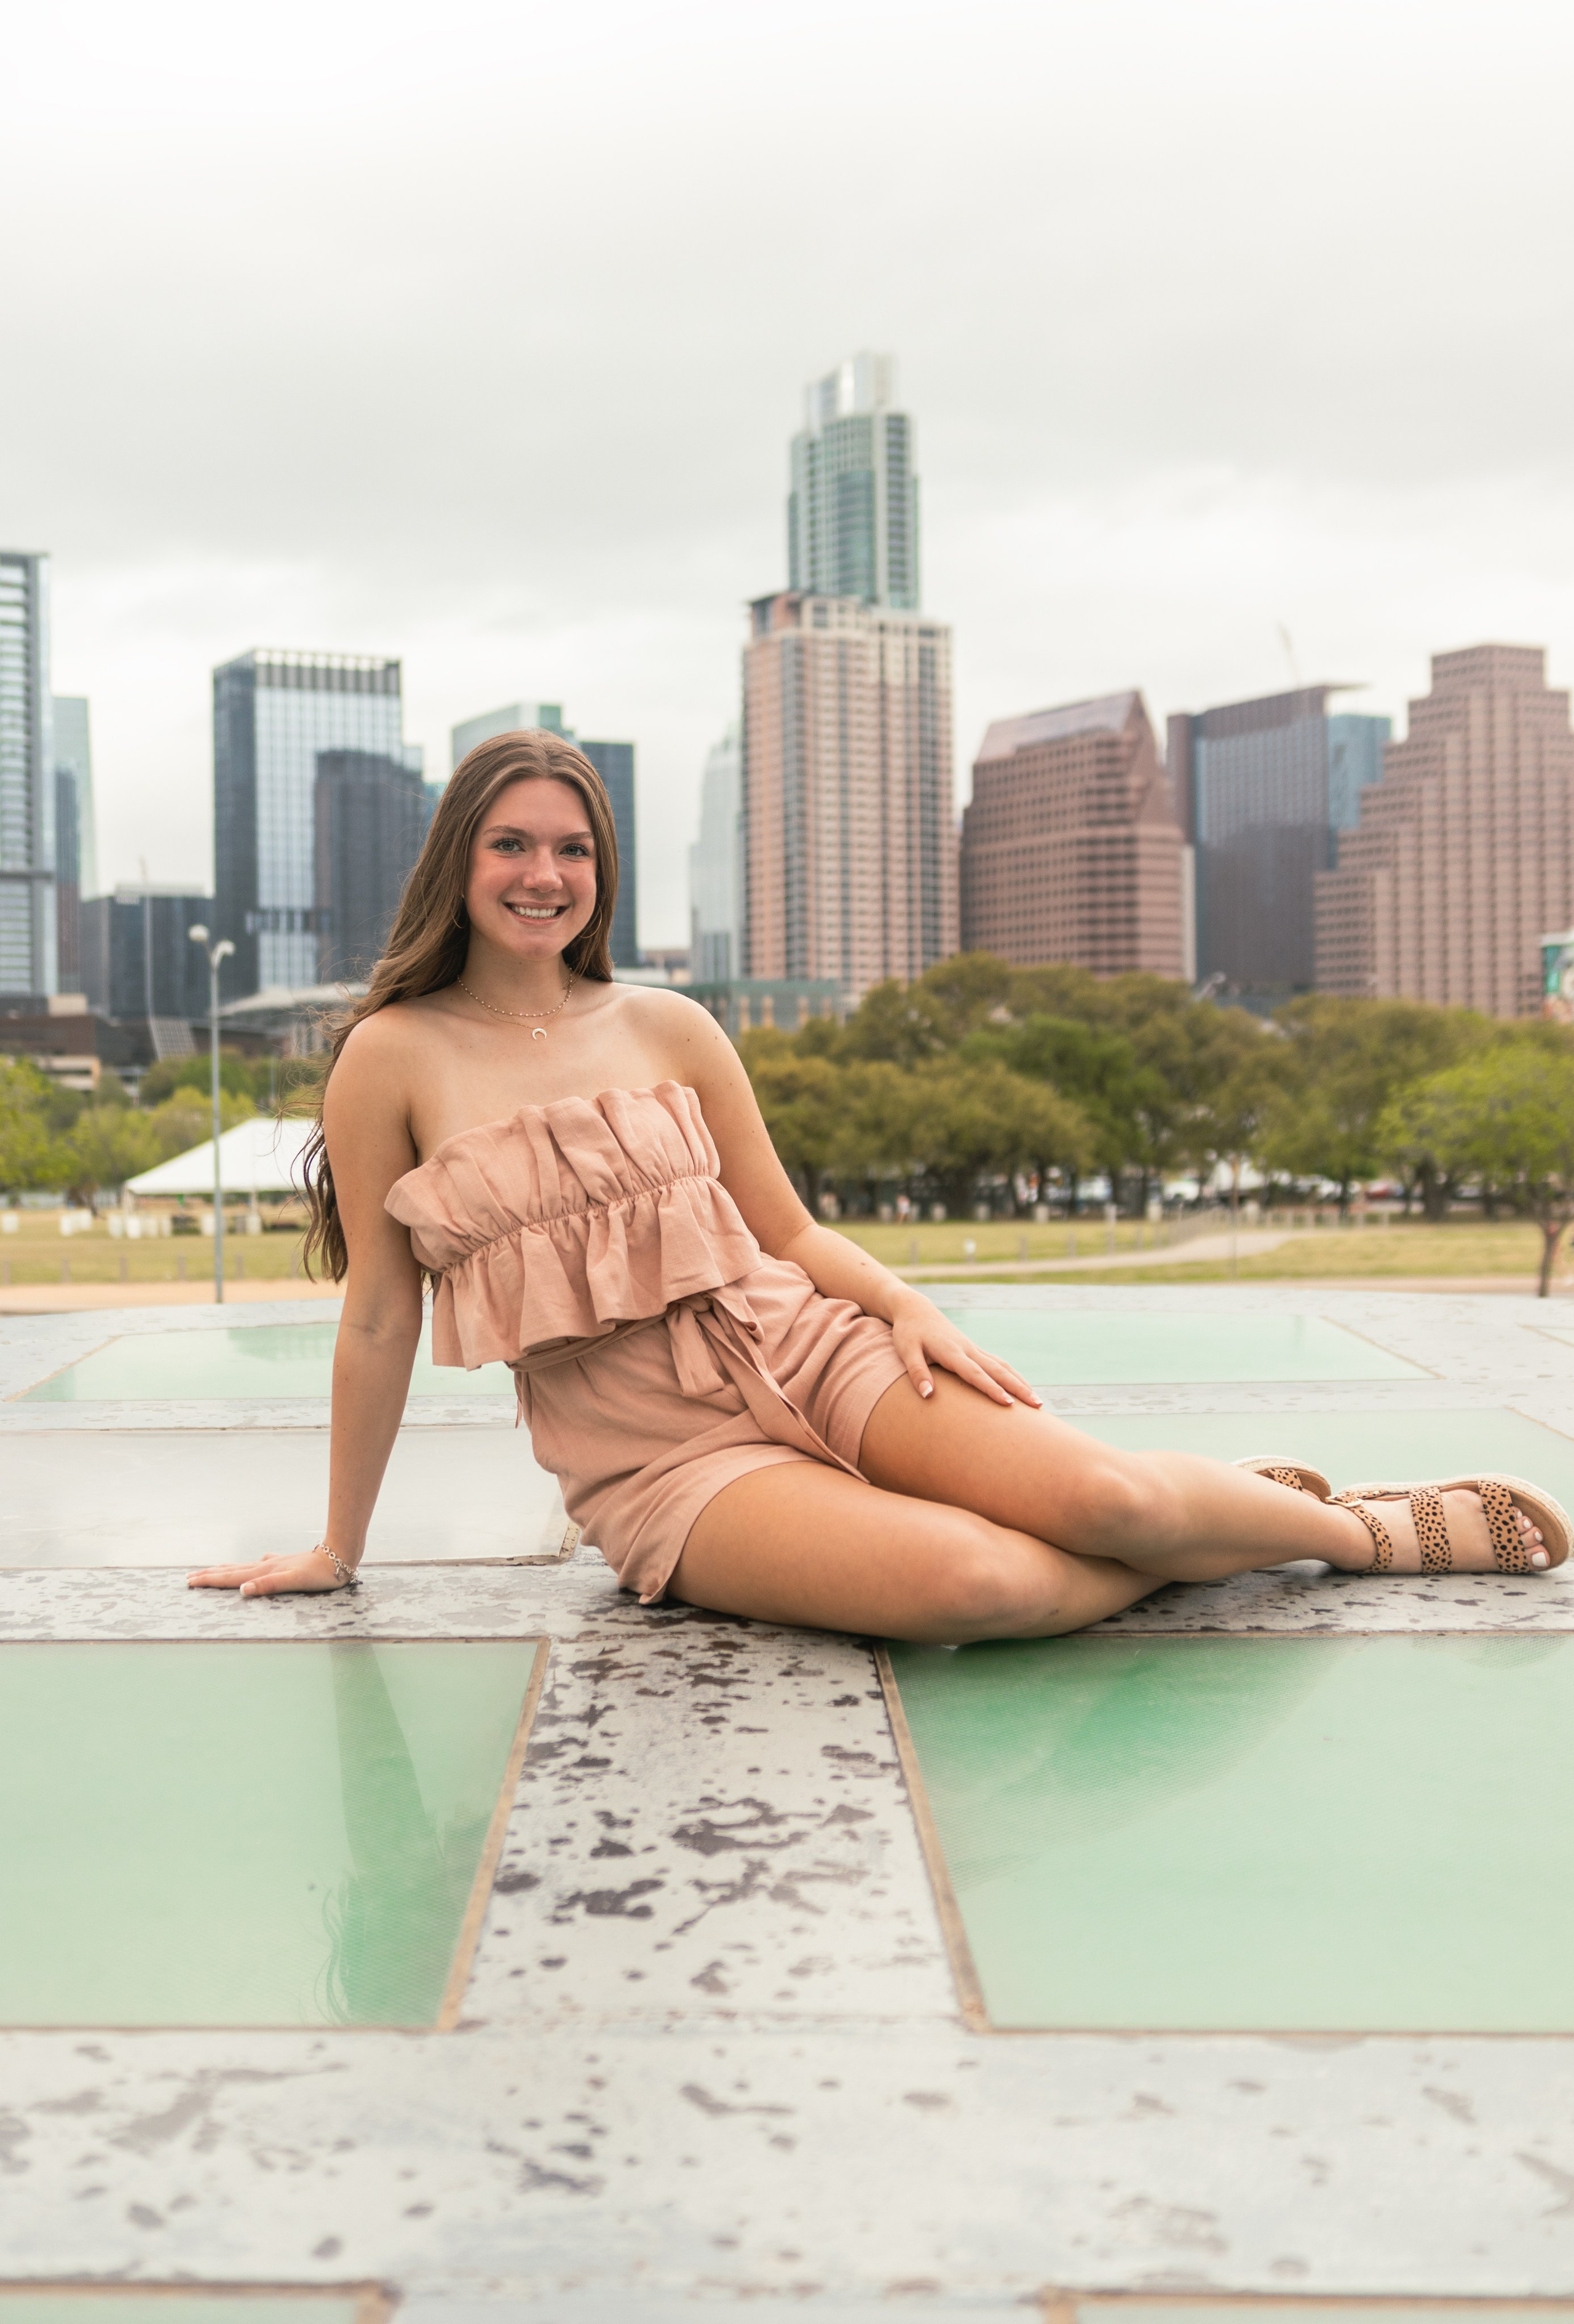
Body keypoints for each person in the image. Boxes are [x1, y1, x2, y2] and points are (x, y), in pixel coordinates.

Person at [189, 731, 1568, 1631]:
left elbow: (784, 1228)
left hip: (812, 1344)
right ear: (460, 861)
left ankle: (1350, 1528)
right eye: (511, 844)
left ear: (599, 873)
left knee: (1105, 1507)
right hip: (660, 1460)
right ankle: (1224, 1520)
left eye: (571, 848)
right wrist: (335, 1544)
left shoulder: (672, 1025)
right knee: (970, 1579)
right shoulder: (391, 1056)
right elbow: (379, 1314)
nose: (542, 874)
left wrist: (904, 1304)